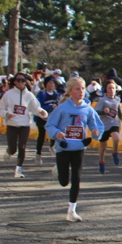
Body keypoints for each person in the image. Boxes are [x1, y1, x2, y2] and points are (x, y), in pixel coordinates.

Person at [46, 77, 104, 221]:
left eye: (83, 88)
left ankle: (72, 210)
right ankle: (58, 169)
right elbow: (50, 125)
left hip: (79, 147)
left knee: (76, 178)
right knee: (64, 181)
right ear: (70, 91)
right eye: (77, 89)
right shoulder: (62, 108)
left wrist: (96, 132)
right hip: (64, 147)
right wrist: (56, 133)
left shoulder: (88, 109)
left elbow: (97, 125)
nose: (81, 91)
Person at [0, 73, 49, 178]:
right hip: (12, 124)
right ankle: (9, 151)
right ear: (14, 82)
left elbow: (36, 108)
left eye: (23, 80)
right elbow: (0, 109)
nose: (21, 82)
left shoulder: (29, 95)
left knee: (22, 147)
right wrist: (7, 114)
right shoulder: (8, 94)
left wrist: (42, 113)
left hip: (24, 124)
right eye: (18, 80)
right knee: (13, 149)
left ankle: (18, 170)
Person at [94, 79, 122, 174]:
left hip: (114, 123)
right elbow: (96, 111)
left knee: (116, 138)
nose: (111, 90)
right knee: (103, 146)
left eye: (113, 88)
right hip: (104, 125)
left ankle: (115, 152)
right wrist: (103, 111)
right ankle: (101, 162)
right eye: (109, 88)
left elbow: (118, 108)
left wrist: (121, 116)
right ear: (106, 90)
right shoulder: (102, 100)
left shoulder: (117, 99)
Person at [34, 76, 61, 163]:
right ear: (46, 84)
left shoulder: (57, 94)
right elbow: (38, 106)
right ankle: (38, 154)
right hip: (42, 118)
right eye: (50, 82)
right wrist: (50, 106)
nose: (52, 84)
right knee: (41, 136)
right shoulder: (42, 94)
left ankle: (52, 145)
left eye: (53, 83)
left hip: (53, 118)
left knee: (55, 132)